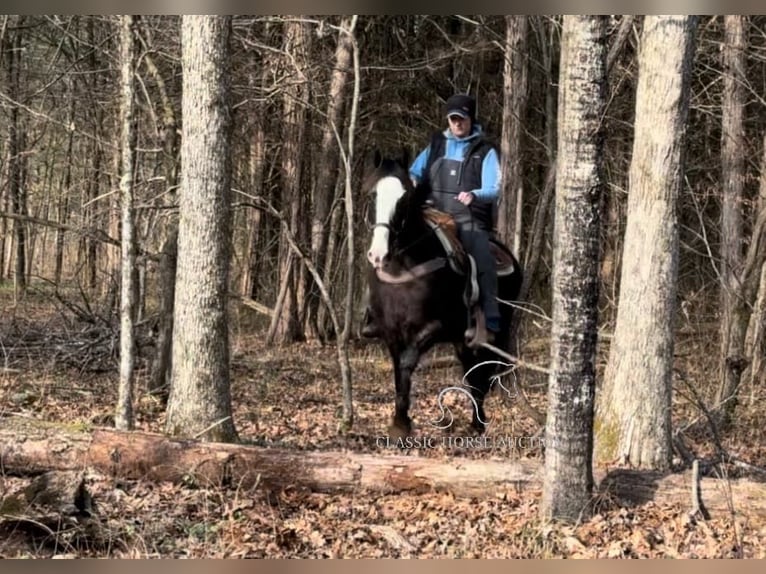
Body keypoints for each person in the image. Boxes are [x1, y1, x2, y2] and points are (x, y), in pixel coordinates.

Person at [409, 93, 501, 343]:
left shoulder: (485, 150)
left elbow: (495, 187)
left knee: (482, 255)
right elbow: (415, 172)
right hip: (433, 212)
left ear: (471, 119)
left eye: (461, 119)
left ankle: (489, 319)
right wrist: (414, 185)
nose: (457, 124)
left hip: (468, 216)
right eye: (453, 119)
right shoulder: (437, 144)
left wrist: (474, 194)